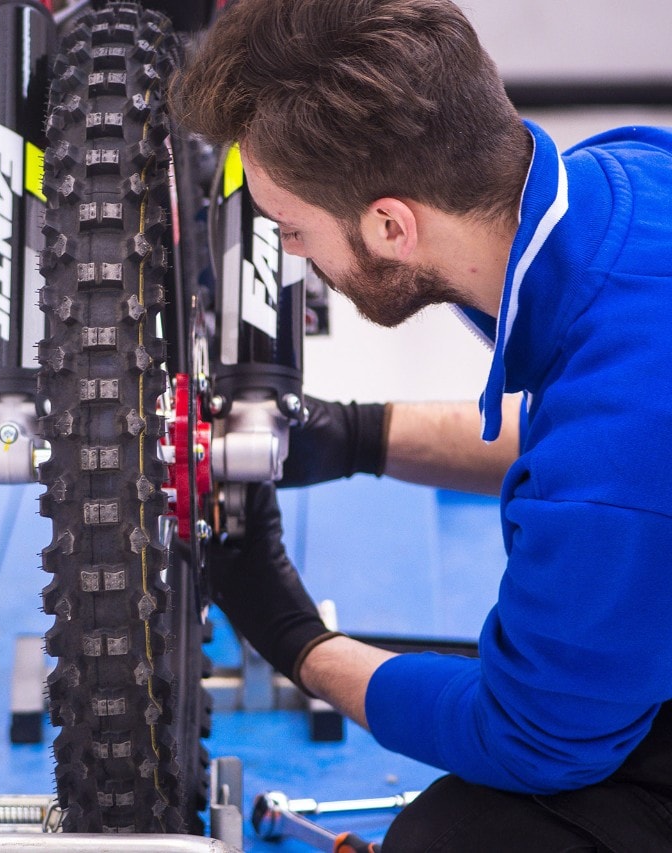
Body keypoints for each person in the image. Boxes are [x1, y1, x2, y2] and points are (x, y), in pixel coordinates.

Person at [173, 0, 672, 848]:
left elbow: (534, 741)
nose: (292, 253)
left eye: (293, 229)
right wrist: (356, 436)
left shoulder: (621, 443)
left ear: (391, 225)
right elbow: (598, 456)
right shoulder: (631, 180)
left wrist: (300, 642)